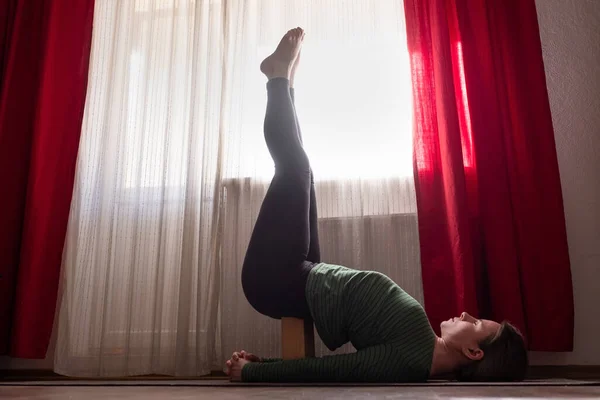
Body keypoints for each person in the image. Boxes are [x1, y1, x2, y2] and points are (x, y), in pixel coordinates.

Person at [225, 27, 528, 383]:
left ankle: (276, 77)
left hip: (277, 279)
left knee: (295, 169)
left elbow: (335, 370)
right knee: (304, 175)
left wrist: (255, 373)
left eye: (475, 322)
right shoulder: (420, 346)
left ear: (473, 352)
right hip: (305, 274)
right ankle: (284, 84)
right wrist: (261, 367)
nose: (465, 312)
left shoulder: (411, 360)